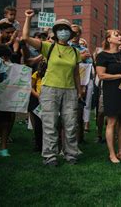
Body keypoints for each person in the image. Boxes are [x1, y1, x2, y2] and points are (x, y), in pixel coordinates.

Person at [22, 9, 83, 166]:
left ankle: (71, 154)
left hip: (70, 90)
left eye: (65, 29)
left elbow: (76, 74)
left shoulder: (75, 52)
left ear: (70, 33)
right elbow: (25, 38)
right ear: (56, 32)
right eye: (60, 29)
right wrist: (28, 18)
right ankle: (50, 156)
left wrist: (79, 90)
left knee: (70, 123)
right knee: (50, 123)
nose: (63, 32)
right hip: (49, 89)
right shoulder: (48, 47)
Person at [96, 30, 121, 164]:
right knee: (112, 122)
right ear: (108, 39)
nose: (119, 37)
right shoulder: (102, 56)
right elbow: (101, 75)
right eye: (115, 35)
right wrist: (120, 76)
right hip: (112, 91)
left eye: (119, 34)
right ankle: (112, 154)